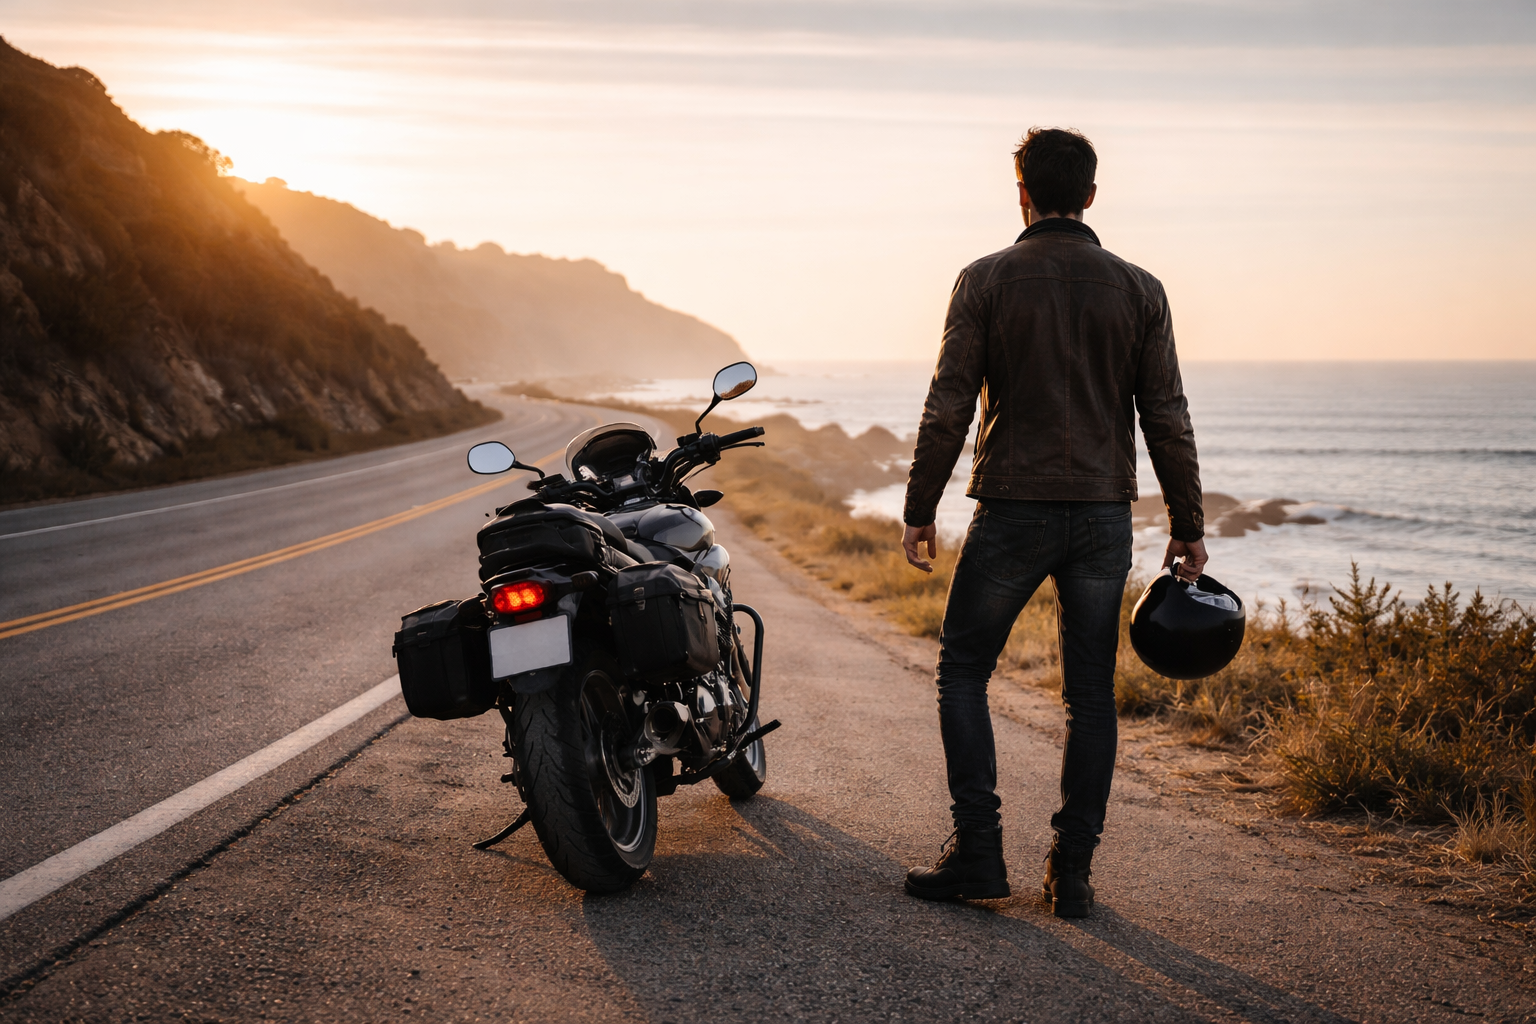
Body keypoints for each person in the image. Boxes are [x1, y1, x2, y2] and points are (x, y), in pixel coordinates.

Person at [900, 127, 1207, 917]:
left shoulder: (986, 278)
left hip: (1012, 509)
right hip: (1104, 516)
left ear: (1022, 192)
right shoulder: (1141, 288)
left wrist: (920, 507)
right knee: (1090, 697)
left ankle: (978, 852)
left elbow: (949, 402)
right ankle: (1070, 873)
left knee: (964, 672)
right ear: (1093, 196)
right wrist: (1186, 520)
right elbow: (1165, 413)